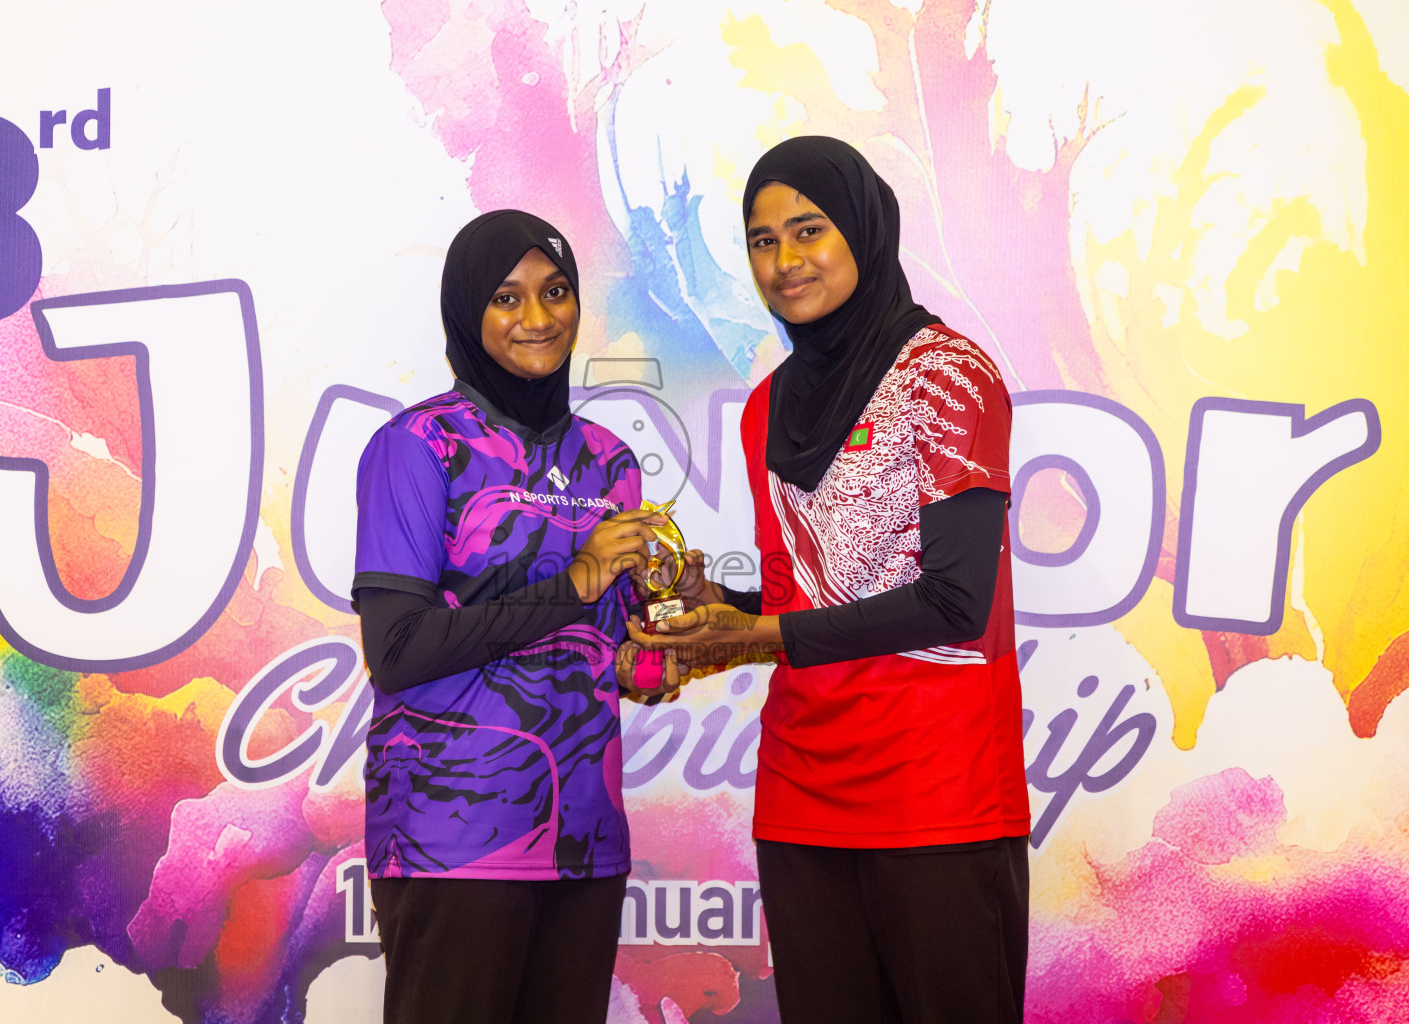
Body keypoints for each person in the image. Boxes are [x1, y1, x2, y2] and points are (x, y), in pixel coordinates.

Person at [630, 136, 1031, 1023]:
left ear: (861, 229)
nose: (784, 261)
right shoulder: (771, 403)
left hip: (938, 793)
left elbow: (955, 603)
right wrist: (718, 612)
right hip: (803, 794)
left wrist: (760, 635)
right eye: (762, 241)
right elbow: (801, 598)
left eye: (807, 231)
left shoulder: (948, 378)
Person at [353, 209, 680, 1024]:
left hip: (585, 841)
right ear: (468, 311)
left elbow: (614, 644)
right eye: (506, 297)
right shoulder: (419, 445)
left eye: (555, 291)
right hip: (452, 840)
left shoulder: (608, 460)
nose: (538, 318)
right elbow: (396, 650)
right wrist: (573, 580)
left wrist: (665, 655)